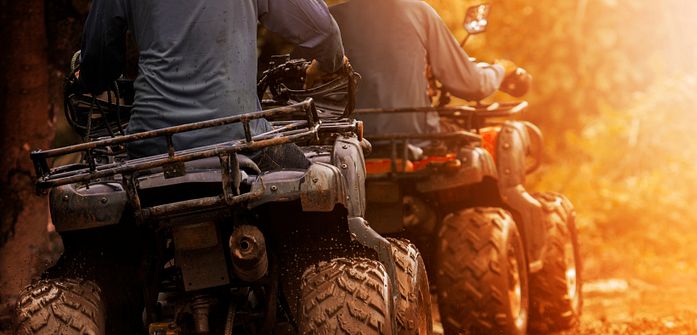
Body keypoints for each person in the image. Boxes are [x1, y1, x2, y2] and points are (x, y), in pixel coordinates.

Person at [79, 0, 346, 167]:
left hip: (153, 143)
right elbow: (323, 31)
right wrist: (326, 65)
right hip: (240, 138)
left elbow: (96, 59)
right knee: (318, 191)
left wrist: (91, 79)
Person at [330, 0, 508, 139]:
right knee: (490, 137)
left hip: (350, 143)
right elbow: (472, 84)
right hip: (417, 138)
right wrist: (501, 69)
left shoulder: (332, 20)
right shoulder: (418, 11)